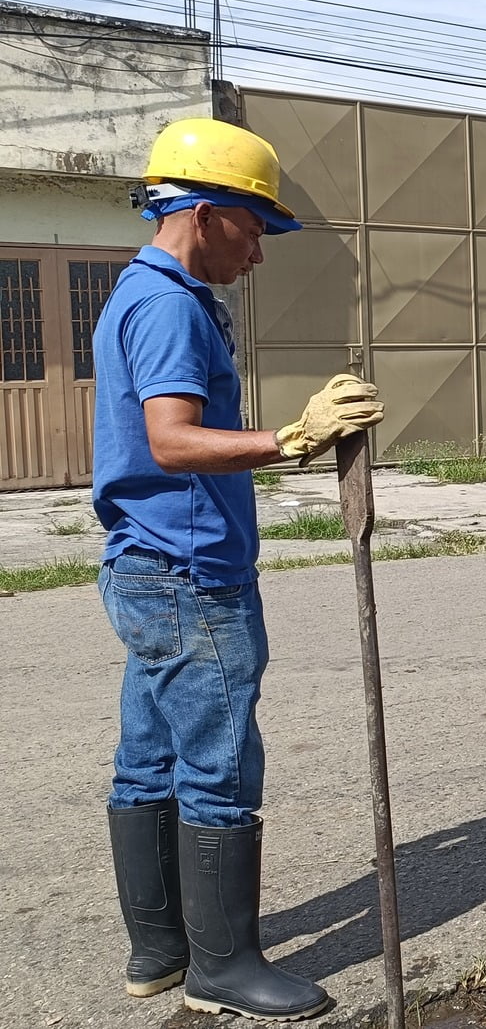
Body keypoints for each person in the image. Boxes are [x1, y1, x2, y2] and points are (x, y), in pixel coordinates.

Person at [96, 117, 384, 1020]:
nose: (259, 252)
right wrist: (293, 438)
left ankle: (159, 950)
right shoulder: (171, 304)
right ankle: (223, 967)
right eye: (255, 227)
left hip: (146, 564)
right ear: (210, 212)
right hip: (189, 572)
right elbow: (171, 438)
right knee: (219, 766)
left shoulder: (141, 293)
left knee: (150, 760)